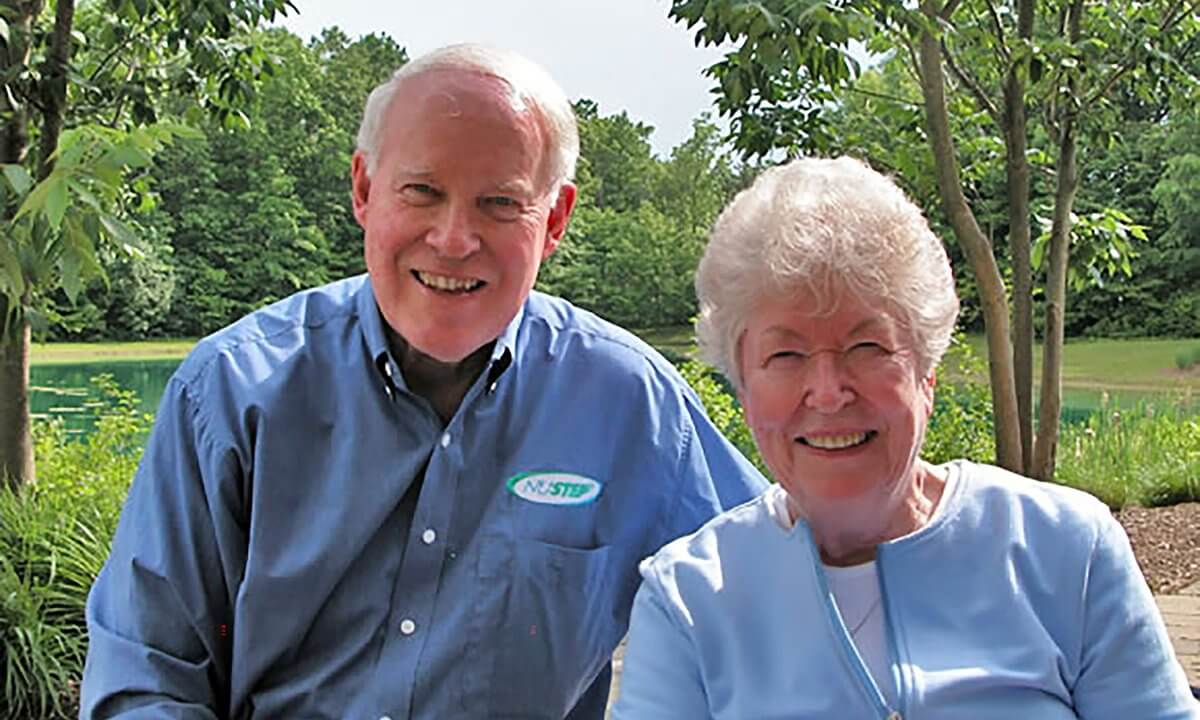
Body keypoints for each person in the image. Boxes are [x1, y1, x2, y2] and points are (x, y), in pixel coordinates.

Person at [80, 44, 766, 719]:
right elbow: (146, 677)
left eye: (500, 203)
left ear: (553, 219)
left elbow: (776, 594)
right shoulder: (230, 392)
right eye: (422, 192)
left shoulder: (631, 406)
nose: (454, 238)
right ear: (364, 190)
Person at [611, 156, 1198, 719]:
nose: (828, 390)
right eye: (784, 354)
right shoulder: (688, 598)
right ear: (744, 388)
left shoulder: (1066, 548)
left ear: (926, 374)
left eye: (867, 347)